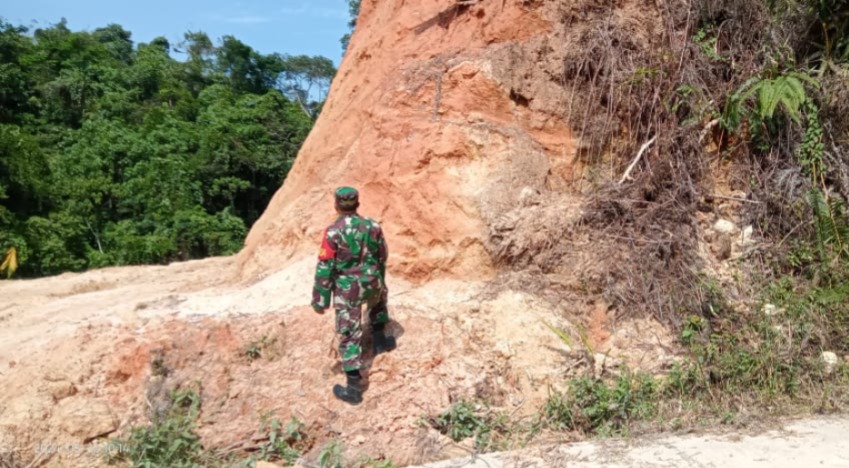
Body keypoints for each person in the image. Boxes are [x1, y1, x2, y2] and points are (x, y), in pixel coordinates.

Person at [311, 186, 396, 405]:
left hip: (349, 289)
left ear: (336, 205)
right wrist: (377, 277)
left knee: (349, 332)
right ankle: (379, 340)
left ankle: (354, 388)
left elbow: (325, 267)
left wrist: (320, 300)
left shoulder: (333, 232)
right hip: (372, 282)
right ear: (357, 204)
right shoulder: (373, 226)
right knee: (378, 302)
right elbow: (382, 255)